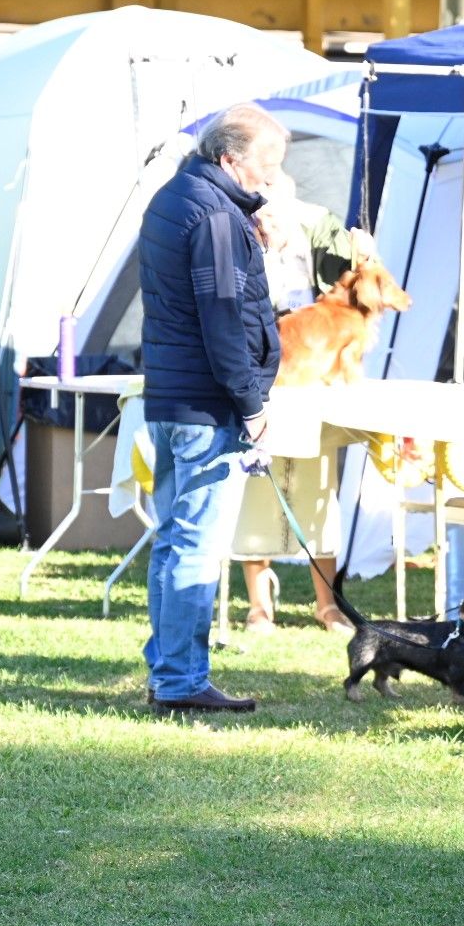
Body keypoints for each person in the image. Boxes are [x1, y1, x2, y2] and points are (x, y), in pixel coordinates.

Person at [138, 102, 287, 712]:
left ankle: (169, 672)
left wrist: (259, 246)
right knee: (194, 543)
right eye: (267, 162)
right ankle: (180, 682)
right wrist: (251, 404)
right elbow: (223, 319)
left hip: (175, 397)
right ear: (230, 159)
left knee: (174, 539)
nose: (273, 176)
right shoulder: (214, 216)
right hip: (208, 403)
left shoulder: (181, 198)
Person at [234, 173, 373, 638]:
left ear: (293, 211)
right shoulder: (240, 239)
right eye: (257, 216)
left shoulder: (324, 235)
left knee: (317, 490)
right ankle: (258, 606)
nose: (263, 224)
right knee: (259, 486)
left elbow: (365, 288)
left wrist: (366, 253)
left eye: (271, 215)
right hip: (263, 380)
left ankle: (327, 605)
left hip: (312, 383)